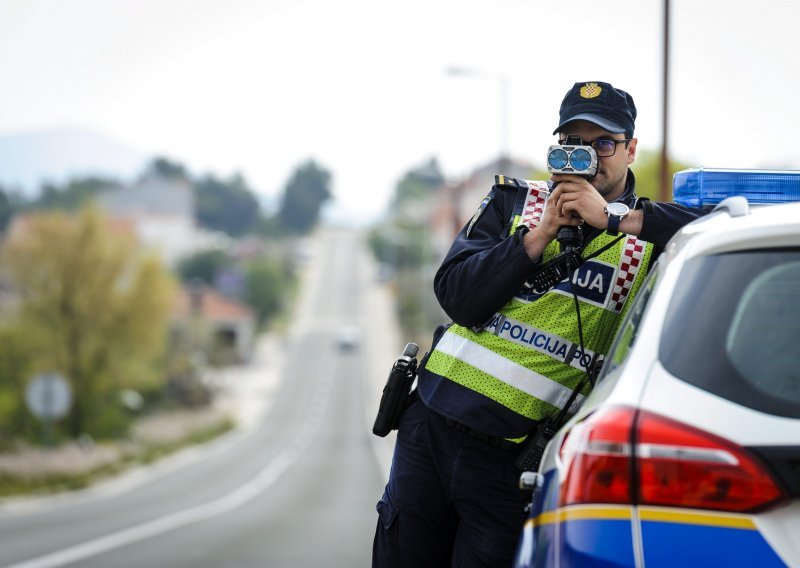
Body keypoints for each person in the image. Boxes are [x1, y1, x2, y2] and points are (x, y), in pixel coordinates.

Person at [372, 81, 705, 567]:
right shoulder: (515, 202)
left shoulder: (651, 234)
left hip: (513, 463)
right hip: (432, 429)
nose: (587, 157)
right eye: (573, 145)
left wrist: (617, 220)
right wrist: (535, 239)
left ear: (631, 149)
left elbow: (721, 226)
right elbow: (456, 298)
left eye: (603, 145)